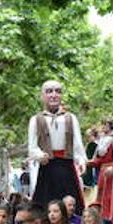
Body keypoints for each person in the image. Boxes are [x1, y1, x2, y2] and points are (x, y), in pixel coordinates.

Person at [27, 80, 86, 208]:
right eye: (49, 91)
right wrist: (39, 155)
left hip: (67, 168)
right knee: (44, 208)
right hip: (47, 169)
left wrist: (81, 160)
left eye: (57, 91)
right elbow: (32, 147)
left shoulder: (71, 118)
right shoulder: (35, 120)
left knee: (71, 207)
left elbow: (77, 145)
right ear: (42, 96)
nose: (53, 95)